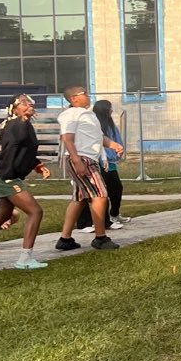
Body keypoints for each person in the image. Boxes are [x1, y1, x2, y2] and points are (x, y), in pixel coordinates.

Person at [0, 94, 51, 269]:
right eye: (23, 103)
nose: (28, 104)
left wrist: (37, 165)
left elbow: (24, 151)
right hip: (6, 176)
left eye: (29, 102)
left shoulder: (23, 124)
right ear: (14, 109)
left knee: (3, 215)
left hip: (3, 175)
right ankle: (25, 259)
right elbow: (12, 148)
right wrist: (11, 176)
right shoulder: (15, 125)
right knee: (35, 212)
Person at [56, 85, 121, 252]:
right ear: (74, 98)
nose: (88, 95)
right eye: (84, 93)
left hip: (89, 158)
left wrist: (113, 145)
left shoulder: (89, 114)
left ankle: (65, 239)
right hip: (82, 158)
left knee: (79, 199)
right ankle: (100, 238)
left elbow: (98, 137)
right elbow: (67, 138)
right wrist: (77, 160)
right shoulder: (70, 114)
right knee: (100, 195)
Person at [77, 99, 129, 233]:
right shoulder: (89, 121)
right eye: (109, 108)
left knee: (113, 189)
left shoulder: (109, 124)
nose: (111, 111)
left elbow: (111, 140)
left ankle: (111, 216)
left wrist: (116, 151)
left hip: (108, 162)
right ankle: (85, 223)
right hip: (91, 161)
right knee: (87, 194)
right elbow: (96, 142)